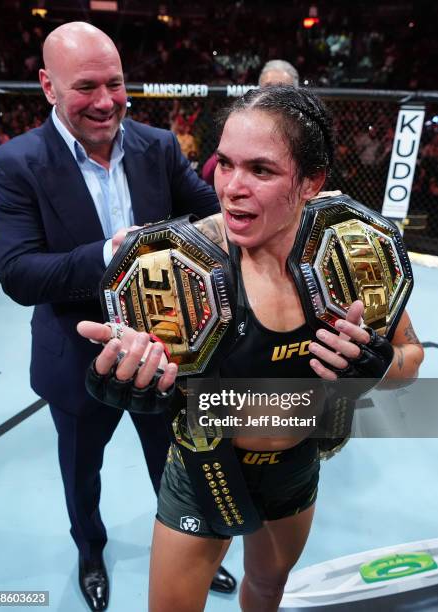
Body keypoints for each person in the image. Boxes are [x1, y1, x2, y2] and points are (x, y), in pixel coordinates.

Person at [78, 85, 424, 612]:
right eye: (225, 164)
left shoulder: (352, 251)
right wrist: (126, 378)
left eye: (261, 170)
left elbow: (410, 359)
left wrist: (376, 369)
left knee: (266, 590)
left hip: (296, 467)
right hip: (202, 467)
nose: (232, 188)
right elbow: (132, 358)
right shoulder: (179, 263)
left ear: (311, 183)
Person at [0, 21, 236, 612]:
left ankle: (187, 550)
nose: (104, 101)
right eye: (85, 86)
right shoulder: (13, 163)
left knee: (173, 464)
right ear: (48, 86)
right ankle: (90, 553)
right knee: (82, 475)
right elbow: (18, 273)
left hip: (166, 352)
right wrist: (108, 253)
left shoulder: (159, 145)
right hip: (75, 359)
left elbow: (212, 220)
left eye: (115, 84)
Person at [202, 59, 299, 186]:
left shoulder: (305, 128)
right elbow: (208, 173)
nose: (275, 94)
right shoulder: (243, 124)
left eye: (282, 88)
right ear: (259, 92)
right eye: (269, 87)